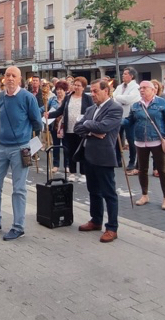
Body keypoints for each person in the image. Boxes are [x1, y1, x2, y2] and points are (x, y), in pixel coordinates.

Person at [0, 66, 44, 241]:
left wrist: (25, 134)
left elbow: (37, 123)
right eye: (7, 75)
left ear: (20, 79)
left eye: (14, 76)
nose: (10, 78)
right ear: (3, 79)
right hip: (1, 147)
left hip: (21, 148)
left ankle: (18, 226)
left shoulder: (28, 98)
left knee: (19, 189)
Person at [73, 79, 123, 242]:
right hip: (89, 155)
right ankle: (96, 220)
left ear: (106, 91)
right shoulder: (90, 109)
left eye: (95, 91)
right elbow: (77, 128)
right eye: (91, 91)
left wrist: (88, 126)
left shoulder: (115, 108)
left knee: (109, 193)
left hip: (104, 157)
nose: (92, 94)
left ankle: (112, 228)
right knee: (93, 191)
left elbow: (104, 127)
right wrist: (90, 129)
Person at [126, 80, 165, 209]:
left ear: (153, 90)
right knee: (142, 169)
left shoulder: (162, 102)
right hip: (140, 140)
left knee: (162, 169)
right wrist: (115, 122)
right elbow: (129, 120)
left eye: (144, 88)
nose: (142, 90)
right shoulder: (136, 105)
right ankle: (144, 195)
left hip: (157, 140)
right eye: (140, 88)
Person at [47, 76, 93, 181]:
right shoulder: (68, 97)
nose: (76, 87)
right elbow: (60, 111)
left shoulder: (87, 98)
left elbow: (92, 111)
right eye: (75, 85)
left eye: (78, 85)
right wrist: (49, 115)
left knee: (82, 150)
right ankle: (72, 172)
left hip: (82, 129)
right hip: (69, 128)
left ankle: (83, 173)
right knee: (70, 150)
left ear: (83, 87)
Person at [114, 68, 140, 175]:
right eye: (123, 74)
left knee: (131, 139)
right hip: (119, 116)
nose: (123, 76)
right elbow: (113, 97)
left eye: (125, 74)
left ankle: (132, 161)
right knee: (117, 138)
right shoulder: (120, 87)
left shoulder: (136, 87)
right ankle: (118, 159)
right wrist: (120, 98)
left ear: (131, 76)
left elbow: (129, 100)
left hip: (130, 117)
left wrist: (118, 97)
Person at [47, 81, 68, 172]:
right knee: (55, 146)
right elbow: (45, 108)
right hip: (54, 126)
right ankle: (56, 165)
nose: (59, 91)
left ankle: (67, 165)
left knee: (66, 146)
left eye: (61, 90)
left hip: (65, 126)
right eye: (58, 89)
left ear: (65, 90)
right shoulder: (52, 100)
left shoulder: (68, 100)